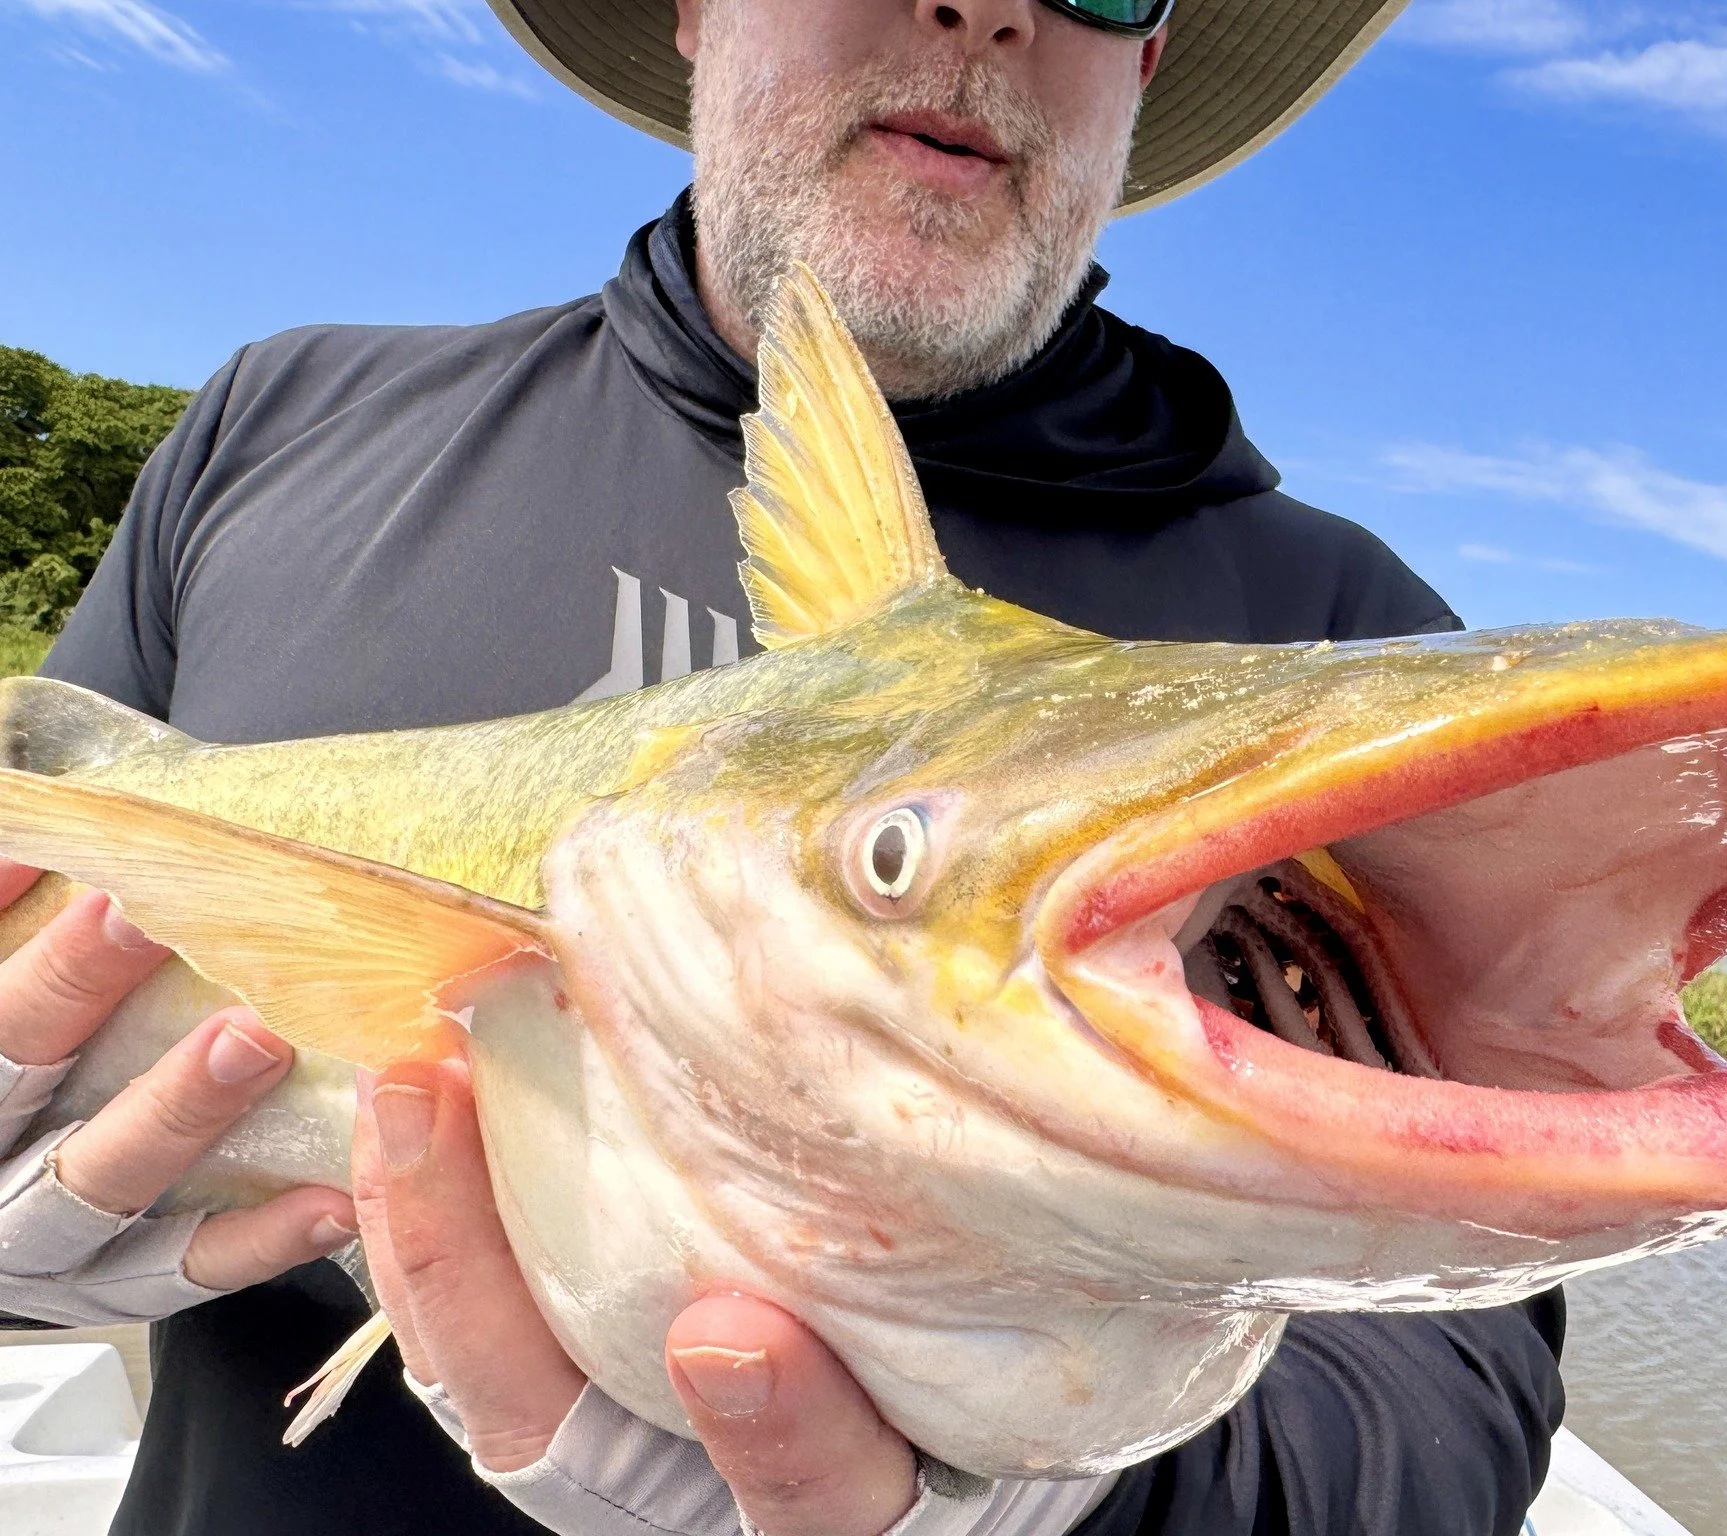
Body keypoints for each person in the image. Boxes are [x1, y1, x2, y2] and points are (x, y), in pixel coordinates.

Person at [0, 1, 1567, 1533]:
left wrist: (1066, 1501)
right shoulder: (281, 422)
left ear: (1145, 55)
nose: (983, 9)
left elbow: (1461, 1390)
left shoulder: (1355, 665)